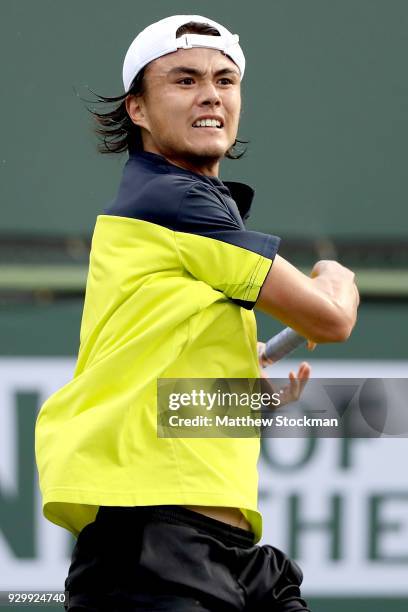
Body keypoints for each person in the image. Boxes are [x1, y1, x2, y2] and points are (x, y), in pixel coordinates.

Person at [35, 14, 359, 612]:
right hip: (150, 553)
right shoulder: (173, 200)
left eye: (225, 80)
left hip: (230, 551)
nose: (211, 93)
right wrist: (338, 278)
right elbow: (330, 320)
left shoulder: (177, 214)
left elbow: (158, 401)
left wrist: (237, 390)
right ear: (137, 108)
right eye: (184, 80)